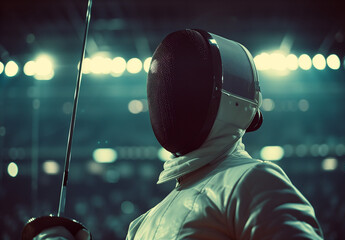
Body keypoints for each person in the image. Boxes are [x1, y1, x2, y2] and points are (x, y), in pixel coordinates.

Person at [28, 29, 323, 240]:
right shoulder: (142, 223)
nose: (173, 100)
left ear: (234, 104)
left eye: (188, 88)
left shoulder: (253, 182)